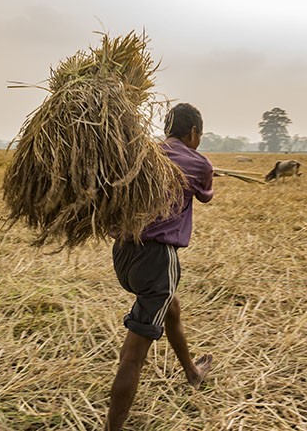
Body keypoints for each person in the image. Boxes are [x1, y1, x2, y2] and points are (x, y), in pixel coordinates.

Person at [106, 103, 214, 430]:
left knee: (170, 307)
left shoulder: (143, 154)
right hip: (157, 259)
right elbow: (206, 194)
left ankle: (192, 372)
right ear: (193, 133)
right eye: (200, 134)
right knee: (134, 355)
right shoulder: (198, 163)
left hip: (124, 253)